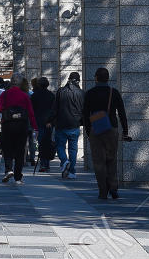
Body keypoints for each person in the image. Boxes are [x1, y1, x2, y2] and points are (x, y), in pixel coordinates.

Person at [84, 68, 131, 201]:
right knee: (111, 159)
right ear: (108, 78)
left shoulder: (90, 93)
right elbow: (122, 113)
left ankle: (103, 192)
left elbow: (85, 114)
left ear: (96, 78)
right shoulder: (114, 92)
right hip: (111, 128)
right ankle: (114, 187)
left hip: (96, 129)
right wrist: (125, 131)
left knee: (99, 162)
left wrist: (88, 131)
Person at [0, 77, 36, 185]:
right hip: (21, 125)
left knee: (7, 148)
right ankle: (18, 176)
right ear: (20, 84)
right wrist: (35, 127)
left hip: (7, 124)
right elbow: (31, 112)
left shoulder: (5, 94)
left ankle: (8, 169)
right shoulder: (24, 95)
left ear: (11, 83)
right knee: (20, 150)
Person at [53, 71, 87, 178]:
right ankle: (72, 171)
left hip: (61, 124)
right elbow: (84, 110)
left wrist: (50, 120)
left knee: (60, 146)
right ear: (78, 81)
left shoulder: (60, 91)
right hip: (74, 124)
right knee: (73, 149)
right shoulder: (81, 93)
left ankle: (64, 161)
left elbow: (55, 108)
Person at [30, 76, 57, 171]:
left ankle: (43, 163)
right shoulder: (51, 95)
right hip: (48, 123)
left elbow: (32, 110)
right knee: (47, 142)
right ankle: (46, 163)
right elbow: (54, 110)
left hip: (39, 122)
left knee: (41, 142)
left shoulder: (34, 95)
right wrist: (51, 121)